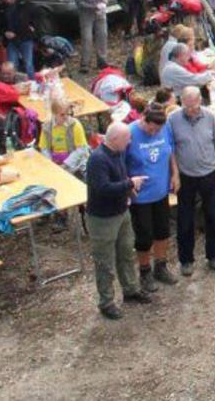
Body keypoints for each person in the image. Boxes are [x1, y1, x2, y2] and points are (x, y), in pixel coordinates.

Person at [86, 122, 153, 319]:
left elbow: (120, 176)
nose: (129, 142)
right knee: (104, 261)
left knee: (126, 253)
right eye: (126, 139)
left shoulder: (117, 153)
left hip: (121, 212)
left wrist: (129, 190)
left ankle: (131, 289)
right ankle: (106, 302)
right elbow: (103, 188)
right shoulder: (98, 159)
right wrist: (130, 183)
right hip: (103, 218)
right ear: (115, 139)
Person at [168, 86, 215, 275]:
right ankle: (186, 259)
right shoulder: (173, 119)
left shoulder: (210, 117)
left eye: (194, 107)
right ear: (181, 102)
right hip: (186, 176)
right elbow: (170, 150)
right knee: (185, 219)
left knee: (213, 215)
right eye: (187, 107)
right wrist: (174, 174)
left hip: (210, 173)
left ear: (200, 101)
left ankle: (214, 255)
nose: (191, 111)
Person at [126, 104, 180, 292]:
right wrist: (127, 186)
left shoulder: (165, 129)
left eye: (157, 130)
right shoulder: (130, 133)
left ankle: (161, 266)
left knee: (162, 231)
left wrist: (175, 174)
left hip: (161, 190)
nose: (154, 132)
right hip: (140, 196)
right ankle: (144, 271)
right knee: (144, 235)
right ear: (143, 119)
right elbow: (121, 163)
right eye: (151, 129)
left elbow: (170, 151)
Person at [0, 0, 36, 76]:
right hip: (11, 41)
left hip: (25, 38)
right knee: (12, 65)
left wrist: (33, 26)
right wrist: (5, 33)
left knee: (28, 64)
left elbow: (37, 14)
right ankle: (15, 83)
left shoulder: (24, 4)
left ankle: (32, 83)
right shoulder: (1, 8)